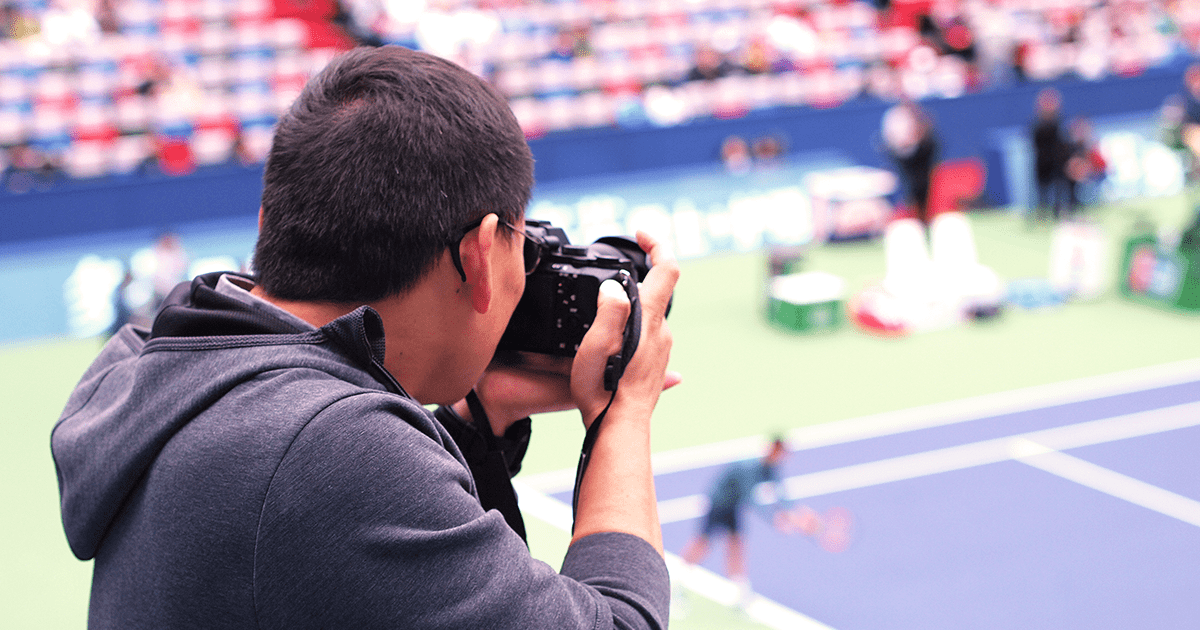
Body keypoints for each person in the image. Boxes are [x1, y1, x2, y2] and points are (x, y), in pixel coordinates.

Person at [51, 45, 680, 629]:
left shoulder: (163, 365)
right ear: (480, 256)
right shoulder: (330, 450)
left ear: (271, 222)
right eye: (525, 245)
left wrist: (476, 419)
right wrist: (621, 414)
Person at [676, 437, 826, 609]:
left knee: (737, 547)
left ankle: (741, 592)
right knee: (702, 545)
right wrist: (776, 520)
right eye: (780, 454)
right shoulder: (748, 468)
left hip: (733, 508)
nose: (781, 458)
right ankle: (677, 583)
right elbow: (752, 499)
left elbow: (781, 495)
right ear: (772, 450)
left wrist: (798, 512)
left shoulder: (771, 468)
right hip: (718, 505)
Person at [882, 99, 940, 228]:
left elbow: (928, 137)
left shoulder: (920, 119)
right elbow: (891, 139)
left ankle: (923, 218)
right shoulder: (894, 116)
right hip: (902, 158)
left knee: (922, 190)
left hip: (919, 159)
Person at [1031, 87, 1070, 222]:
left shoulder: (1058, 124)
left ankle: (1058, 213)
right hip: (1042, 163)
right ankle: (1042, 214)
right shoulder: (1037, 126)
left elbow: (1062, 143)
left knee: (1059, 189)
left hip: (1056, 162)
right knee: (1043, 191)